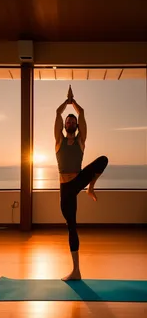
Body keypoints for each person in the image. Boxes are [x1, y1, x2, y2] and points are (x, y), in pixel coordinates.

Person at [54, 85, 108, 280]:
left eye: (72, 120)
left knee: (103, 160)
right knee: (72, 227)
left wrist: (73, 102)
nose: (69, 121)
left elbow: (82, 113)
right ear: (64, 125)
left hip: (78, 180)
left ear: (76, 126)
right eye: (68, 120)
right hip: (65, 189)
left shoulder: (80, 141)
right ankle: (76, 270)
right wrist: (65, 102)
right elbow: (57, 113)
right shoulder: (58, 140)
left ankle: (90, 188)